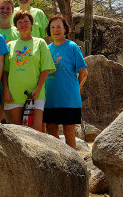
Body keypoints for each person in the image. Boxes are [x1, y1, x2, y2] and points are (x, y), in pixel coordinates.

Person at [3, 10, 55, 132]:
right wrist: (5, 90)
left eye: (26, 21)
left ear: (31, 24)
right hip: (14, 93)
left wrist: (37, 89)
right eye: (20, 22)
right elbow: (5, 71)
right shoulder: (10, 45)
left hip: (36, 93)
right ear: (16, 26)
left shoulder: (40, 43)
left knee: (37, 132)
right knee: (18, 133)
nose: (23, 24)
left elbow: (46, 68)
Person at [43, 15, 88, 149]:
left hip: (69, 98)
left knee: (69, 131)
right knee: (51, 130)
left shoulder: (72, 46)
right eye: (53, 27)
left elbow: (84, 72)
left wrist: (75, 89)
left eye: (59, 27)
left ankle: (74, 163)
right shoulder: (47, 49)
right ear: (49, 30)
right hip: (50, 97)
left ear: (65, 29)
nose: (56, 30)